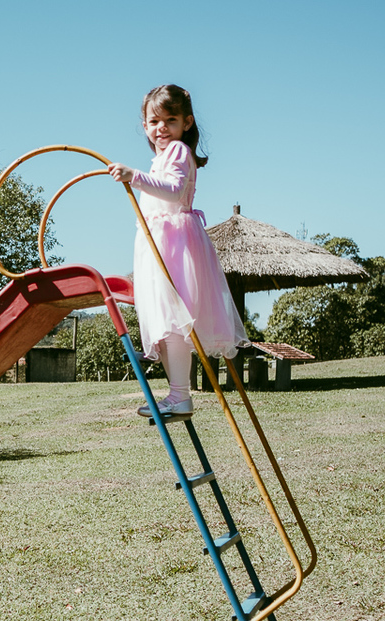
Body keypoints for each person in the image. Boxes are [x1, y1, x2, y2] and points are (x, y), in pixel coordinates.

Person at [108, 84, 249, 417]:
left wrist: (135, 177)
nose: (161, 129)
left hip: (175, 243)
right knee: (163, 322)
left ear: (186, 123)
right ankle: (176, 394)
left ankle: (179, 395)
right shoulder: (159, 157)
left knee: (173, 321)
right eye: (154, 121)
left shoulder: (178, 152)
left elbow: (173, 191)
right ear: (144, 125)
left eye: (170, 120)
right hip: (159, 242)